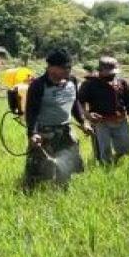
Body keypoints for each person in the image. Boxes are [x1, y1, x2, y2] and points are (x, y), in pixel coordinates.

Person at [24, 49, 93, 189]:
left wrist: (83, 122)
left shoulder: (71, 81)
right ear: (51, 67)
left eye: (69, 67)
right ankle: (30, 193)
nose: (68, 71)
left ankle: (62, 190)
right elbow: (32, 112)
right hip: (44, 132)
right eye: (64, 68)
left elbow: (74, 103)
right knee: (38, 171)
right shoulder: (38, 85)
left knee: (67, 166)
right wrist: (33, 133)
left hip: (65, 130)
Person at [78, 56, 129, 164]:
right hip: (101, 122)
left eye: (113, 72)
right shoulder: (89, 84)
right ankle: (106, 167)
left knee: (127, 147)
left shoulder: (122, 83)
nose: (112, 74)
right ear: (100, 70)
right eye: (108, 72)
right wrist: (88, 115)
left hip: (120, 120)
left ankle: (116, 159)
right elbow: (79, 103)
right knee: (104, 150)